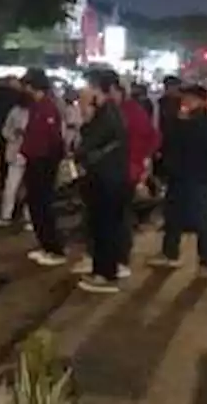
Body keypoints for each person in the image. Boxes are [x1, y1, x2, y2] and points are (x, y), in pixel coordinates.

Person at [72, 77, 159, 279]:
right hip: (112, 173)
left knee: (113, 222)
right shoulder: (112, 112)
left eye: (88, 87)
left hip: (117, 173)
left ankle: (112, 266)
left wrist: (139, 163)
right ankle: (101, 261)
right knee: (101, 222)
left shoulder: (118, 113)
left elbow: (91, 142)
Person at [149, 84, 207, 276]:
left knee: (203, 219)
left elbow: (198, 146)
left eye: (191, 99)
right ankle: (170, 253)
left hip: (199, 178)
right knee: (173, 216)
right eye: (185, 99)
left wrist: (182, 124)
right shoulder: (177, 120)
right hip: (177, 176)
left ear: (202, 102)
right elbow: (168, 142)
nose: (186, 102)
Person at [74, 69, 130, 294]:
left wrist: (85, 114)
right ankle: (104, 270)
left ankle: (105, 275)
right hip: (109, 178)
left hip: (106, 179)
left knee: (104, 228)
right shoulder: (111, 112)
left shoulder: (106, 114)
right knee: (105, 227)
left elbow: (87, 144)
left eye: (89, 86)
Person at [19, 69, 68, 269]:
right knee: (36, 205)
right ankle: (45, 245)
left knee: (43, 206)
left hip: (43, 162)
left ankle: (54, 249)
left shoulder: (47, 107)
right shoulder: (37, 106)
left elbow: (51, 139)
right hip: (35, 160)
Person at [0, 90, 29, 228]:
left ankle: (29, 218)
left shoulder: (38, 110)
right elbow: (5, 130)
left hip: (32, 154)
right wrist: (14, 134)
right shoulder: (15, 111)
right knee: (10, 187)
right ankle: (6, 216)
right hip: (16, 154)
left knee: (30, 189)